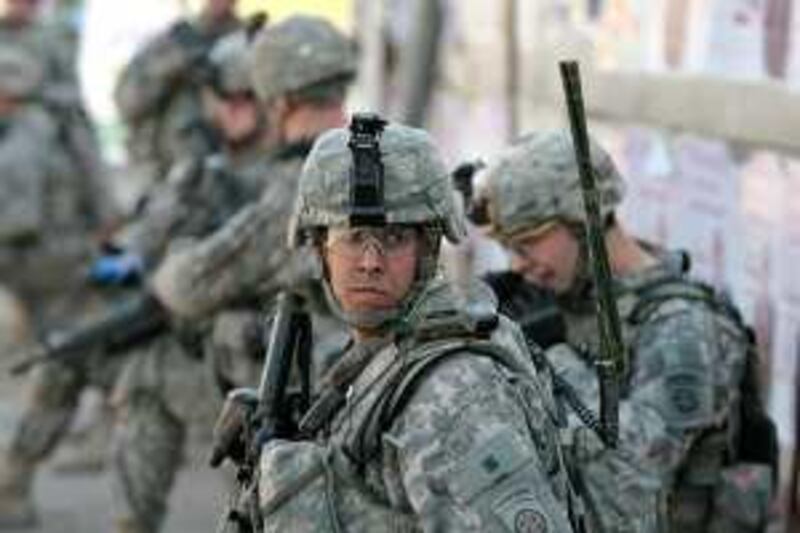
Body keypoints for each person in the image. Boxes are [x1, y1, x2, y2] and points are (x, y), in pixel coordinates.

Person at [210, 114, 578, 531]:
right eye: (351, 238)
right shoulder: (385, 349)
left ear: (427, 249)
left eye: (393, 239)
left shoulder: (453, 397)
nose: (370, 263)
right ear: (320, 251)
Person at [0, 25, 267, 532]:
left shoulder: (283, 176)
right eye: (225, 98)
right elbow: (153, 228)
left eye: (247, 99)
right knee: (71, 354)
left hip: (247, 358)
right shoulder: (202, 169)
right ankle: (16, 482)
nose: (235, 111)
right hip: (182, 336)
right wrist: (125, 257)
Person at [106, 16, 356, 533]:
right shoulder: (371, 154)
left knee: (151, 369)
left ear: (277, 99)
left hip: (324, 391)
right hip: (358, 371)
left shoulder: (304, 181)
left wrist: (178, 256)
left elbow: (190, 284)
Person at [476, 129, 774, 532]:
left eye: (528, 242)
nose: (518, 265)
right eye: (509, 248)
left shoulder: (683, 328)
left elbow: (631, 472)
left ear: (586, 223)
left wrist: (551, 354)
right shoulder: (569, 300)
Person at [114, 0, 241, 186]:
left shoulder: (245, 39)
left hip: (234, 168)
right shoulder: (174, 41)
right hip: (169, 175)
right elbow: (126, 101)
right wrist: (176, 64)